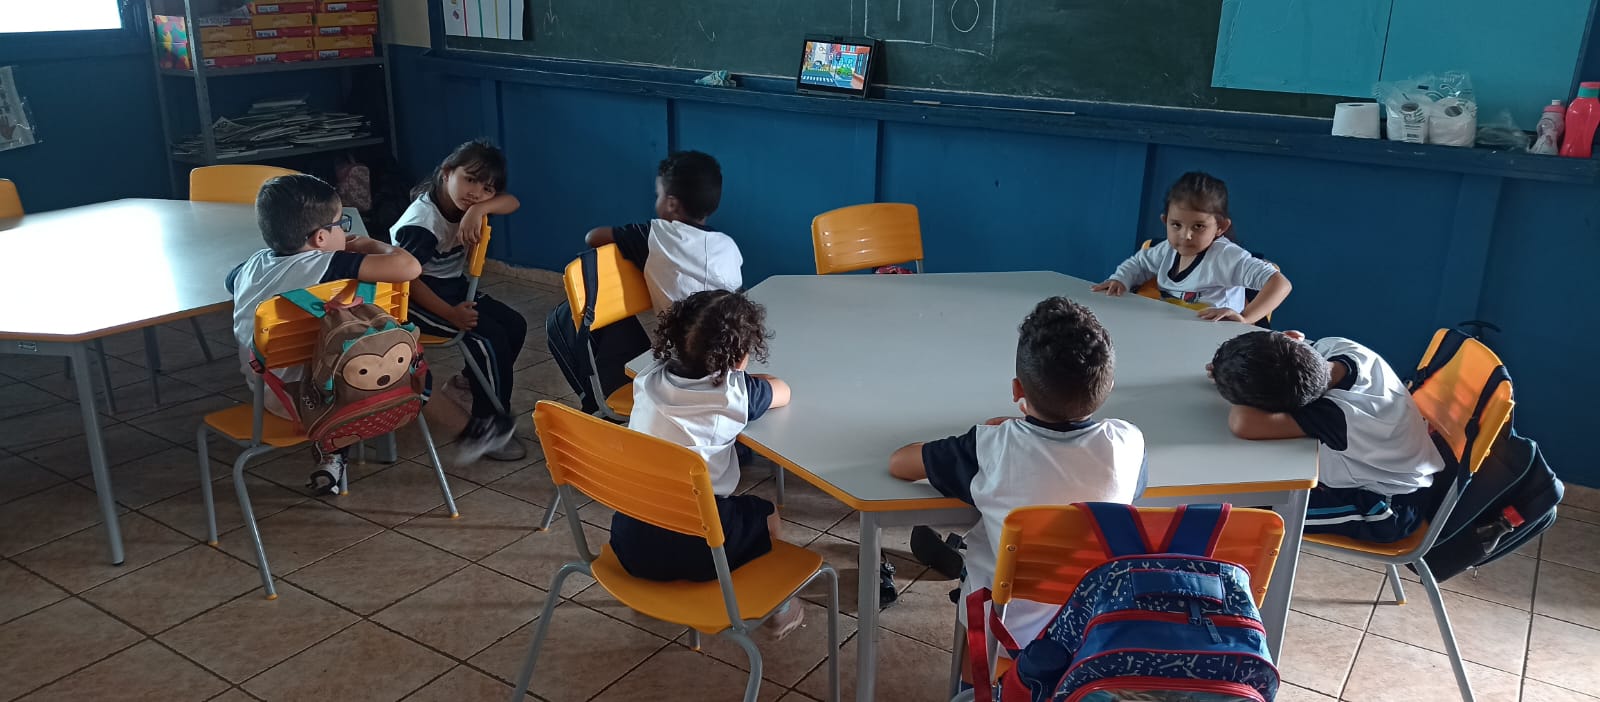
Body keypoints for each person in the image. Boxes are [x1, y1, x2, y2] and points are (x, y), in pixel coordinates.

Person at [888, 297, 1146, 647]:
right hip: (1092, 629)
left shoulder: (991, 447)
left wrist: (1005, 431)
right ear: (1108, 387)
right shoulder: (1128, 443)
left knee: (982, 579)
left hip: (1004, 630)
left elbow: (900, 464)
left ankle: (974, 676)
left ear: (1017, 390)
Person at [608, 290, 804, 637]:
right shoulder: (732, 396)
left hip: (630, 539)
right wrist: (744, 379)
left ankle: (651, 597)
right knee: (767, 513)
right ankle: (780, 610)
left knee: (695, 510)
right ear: (740, 357)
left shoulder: (648, 379)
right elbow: (783, 390)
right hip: (700, 550)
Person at [226, 174, 421, 494]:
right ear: (320, 238)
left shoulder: (248, 268)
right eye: (340, 224)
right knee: (350, 354)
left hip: (272, 397)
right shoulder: (332, 265)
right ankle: (334, 448)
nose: (344, 231)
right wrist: (370, 245)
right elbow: (409, 267)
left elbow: (231, 284)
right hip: (337, 399)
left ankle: (332, 455)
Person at [546, 150, 742, 415]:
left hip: (677, 368)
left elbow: (593, 237)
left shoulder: (654, 234)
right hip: (728, 356)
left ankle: (594, 408)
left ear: (671, 204)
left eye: (657, 195)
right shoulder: (728, 246)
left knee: (563, 318)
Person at [1209, 330, 1444, 542]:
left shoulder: (1339, 417)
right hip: (1374, 467)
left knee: (1246, 510)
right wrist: (1233, 372)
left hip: (1384, 506)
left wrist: (1231, 381)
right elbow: (1285, 355)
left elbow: (1243, 423)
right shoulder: (1340, 348)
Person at [392, 139, 526, 463]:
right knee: (487, 339)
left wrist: (479, 209)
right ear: (446, 172)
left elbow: (512, 202)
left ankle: (466, 386)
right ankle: (488, 426)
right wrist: (450, 314)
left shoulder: (468, 206)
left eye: (487, 188)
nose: (476, 192)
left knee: (514, 325)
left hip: (451, 287)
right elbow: (406, 278)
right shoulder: (422, 224)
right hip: (410, 298)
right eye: (470, 180)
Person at [1092, 172, 1290, 325]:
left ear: (1220, 227)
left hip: (1217, 340)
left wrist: (1245, 318)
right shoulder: (1166, 250)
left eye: (1198, 226)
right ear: (1165, 221)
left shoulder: (1226, 257)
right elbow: (1139, 264)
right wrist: (1120, 279)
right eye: (1176, 225)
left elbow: (1280, 284)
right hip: (1172, 331)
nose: (1185, 235)